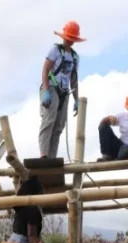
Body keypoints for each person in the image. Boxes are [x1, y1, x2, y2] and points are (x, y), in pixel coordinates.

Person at [39, 21, 85, 159]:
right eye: (69, 38)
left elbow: (74, 79)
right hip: (51, 86)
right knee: (49, 119)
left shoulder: (75, 57)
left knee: (59, 125)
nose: (70, 41)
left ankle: (51, 157)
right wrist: (46, 91)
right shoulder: (55, 50)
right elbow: (45, 70)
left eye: (73, 39)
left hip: (64, 92)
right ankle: (43, 154)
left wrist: (76, 99)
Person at [9, 177, 44, 243]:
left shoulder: (23, 207)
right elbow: (31, 236)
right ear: (36, 193)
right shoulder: (33, 210)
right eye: (42, 194)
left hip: (13, 242)